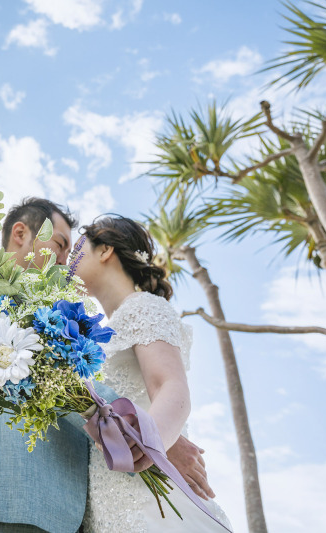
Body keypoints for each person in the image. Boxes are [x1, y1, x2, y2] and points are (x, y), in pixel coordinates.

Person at [0, 199, 214, 533]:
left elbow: (74, 374)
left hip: (74, 509)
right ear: (20, 233)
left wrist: (155, 434)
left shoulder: (75, 315)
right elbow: (42, 368)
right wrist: (146, 434)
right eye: (59, 244)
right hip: (9, 491)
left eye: (72, 249)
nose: (64, 260)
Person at [73, 215, 232, 532]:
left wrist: (149, 440)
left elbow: (170, 385)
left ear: (105, 250)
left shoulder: (142, 306)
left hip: (148, 497)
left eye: (77, 248)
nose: (68, 260)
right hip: (106, 500)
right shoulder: (99, 332)